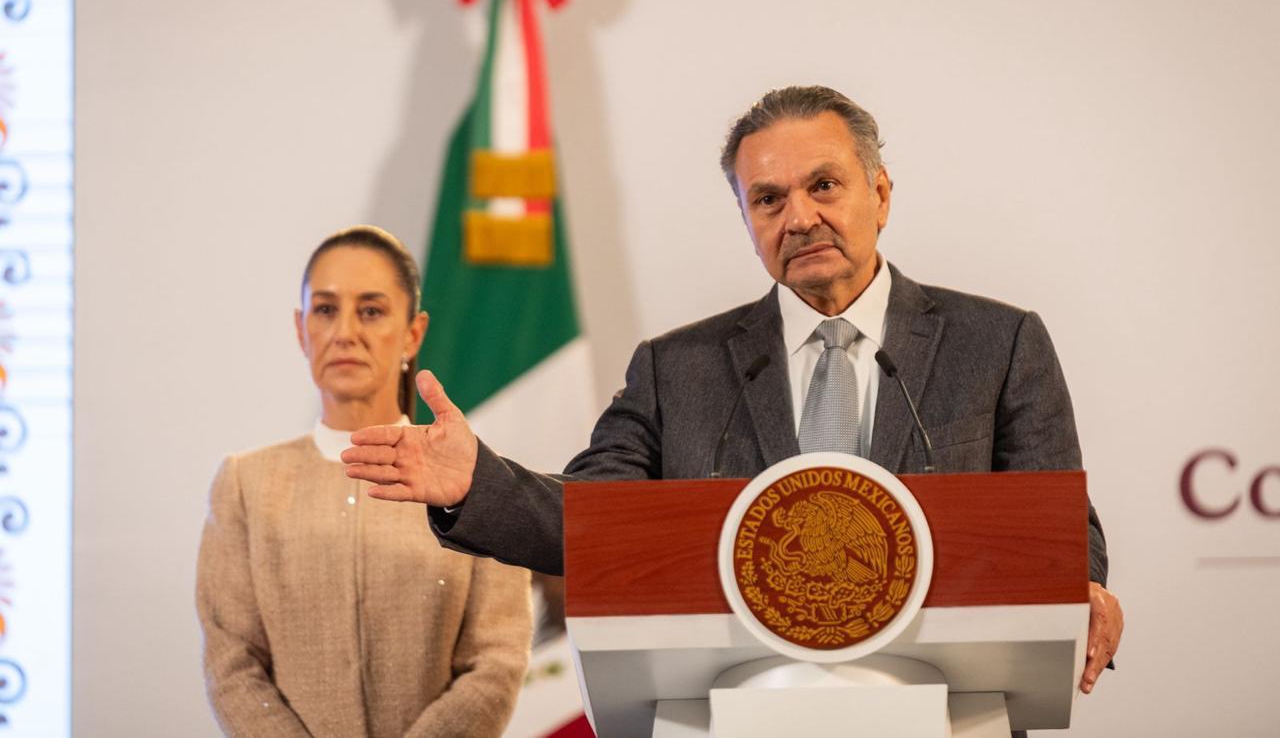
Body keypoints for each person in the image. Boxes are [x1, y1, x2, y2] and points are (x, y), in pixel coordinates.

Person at [342, 87, 1124, 697]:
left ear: (881, 194)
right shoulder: (678, 369)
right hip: (739, 709)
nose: (800, 217)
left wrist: (1084, 587)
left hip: (947, 708)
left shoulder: (997, 344)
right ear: (746, 217)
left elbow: (1056, 526)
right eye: (769, 199)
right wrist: (478, 482)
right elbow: (594, 521)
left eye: (825, 185)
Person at [196, 226, 532, 738]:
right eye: (325, 309)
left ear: (413, 333)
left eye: (371, 311)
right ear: (300, 329)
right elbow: (231, 661)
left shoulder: (473, 481)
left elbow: (497, 661)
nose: (345, 332)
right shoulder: (246, 485)